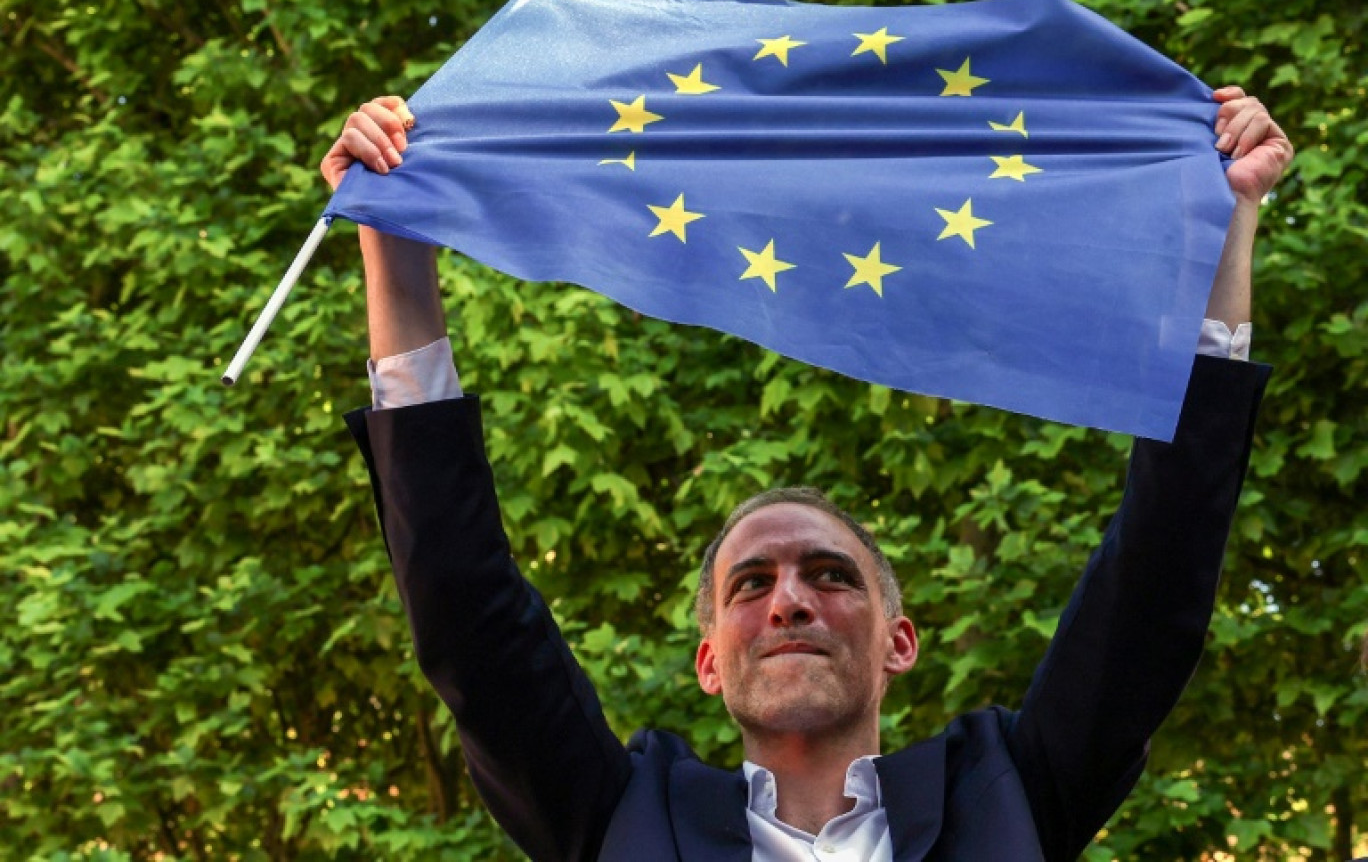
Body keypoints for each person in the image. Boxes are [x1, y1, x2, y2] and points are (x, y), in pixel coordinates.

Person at [323, 87, 1293, 861]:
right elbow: (465, 609)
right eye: (750, 583)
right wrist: (394, 239)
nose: (789, 600)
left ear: (899, 640)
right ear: (708, 660)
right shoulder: (623, 814)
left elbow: (1159, 578)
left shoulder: (1008, 787)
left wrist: (1228, 220)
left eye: (831, 574)